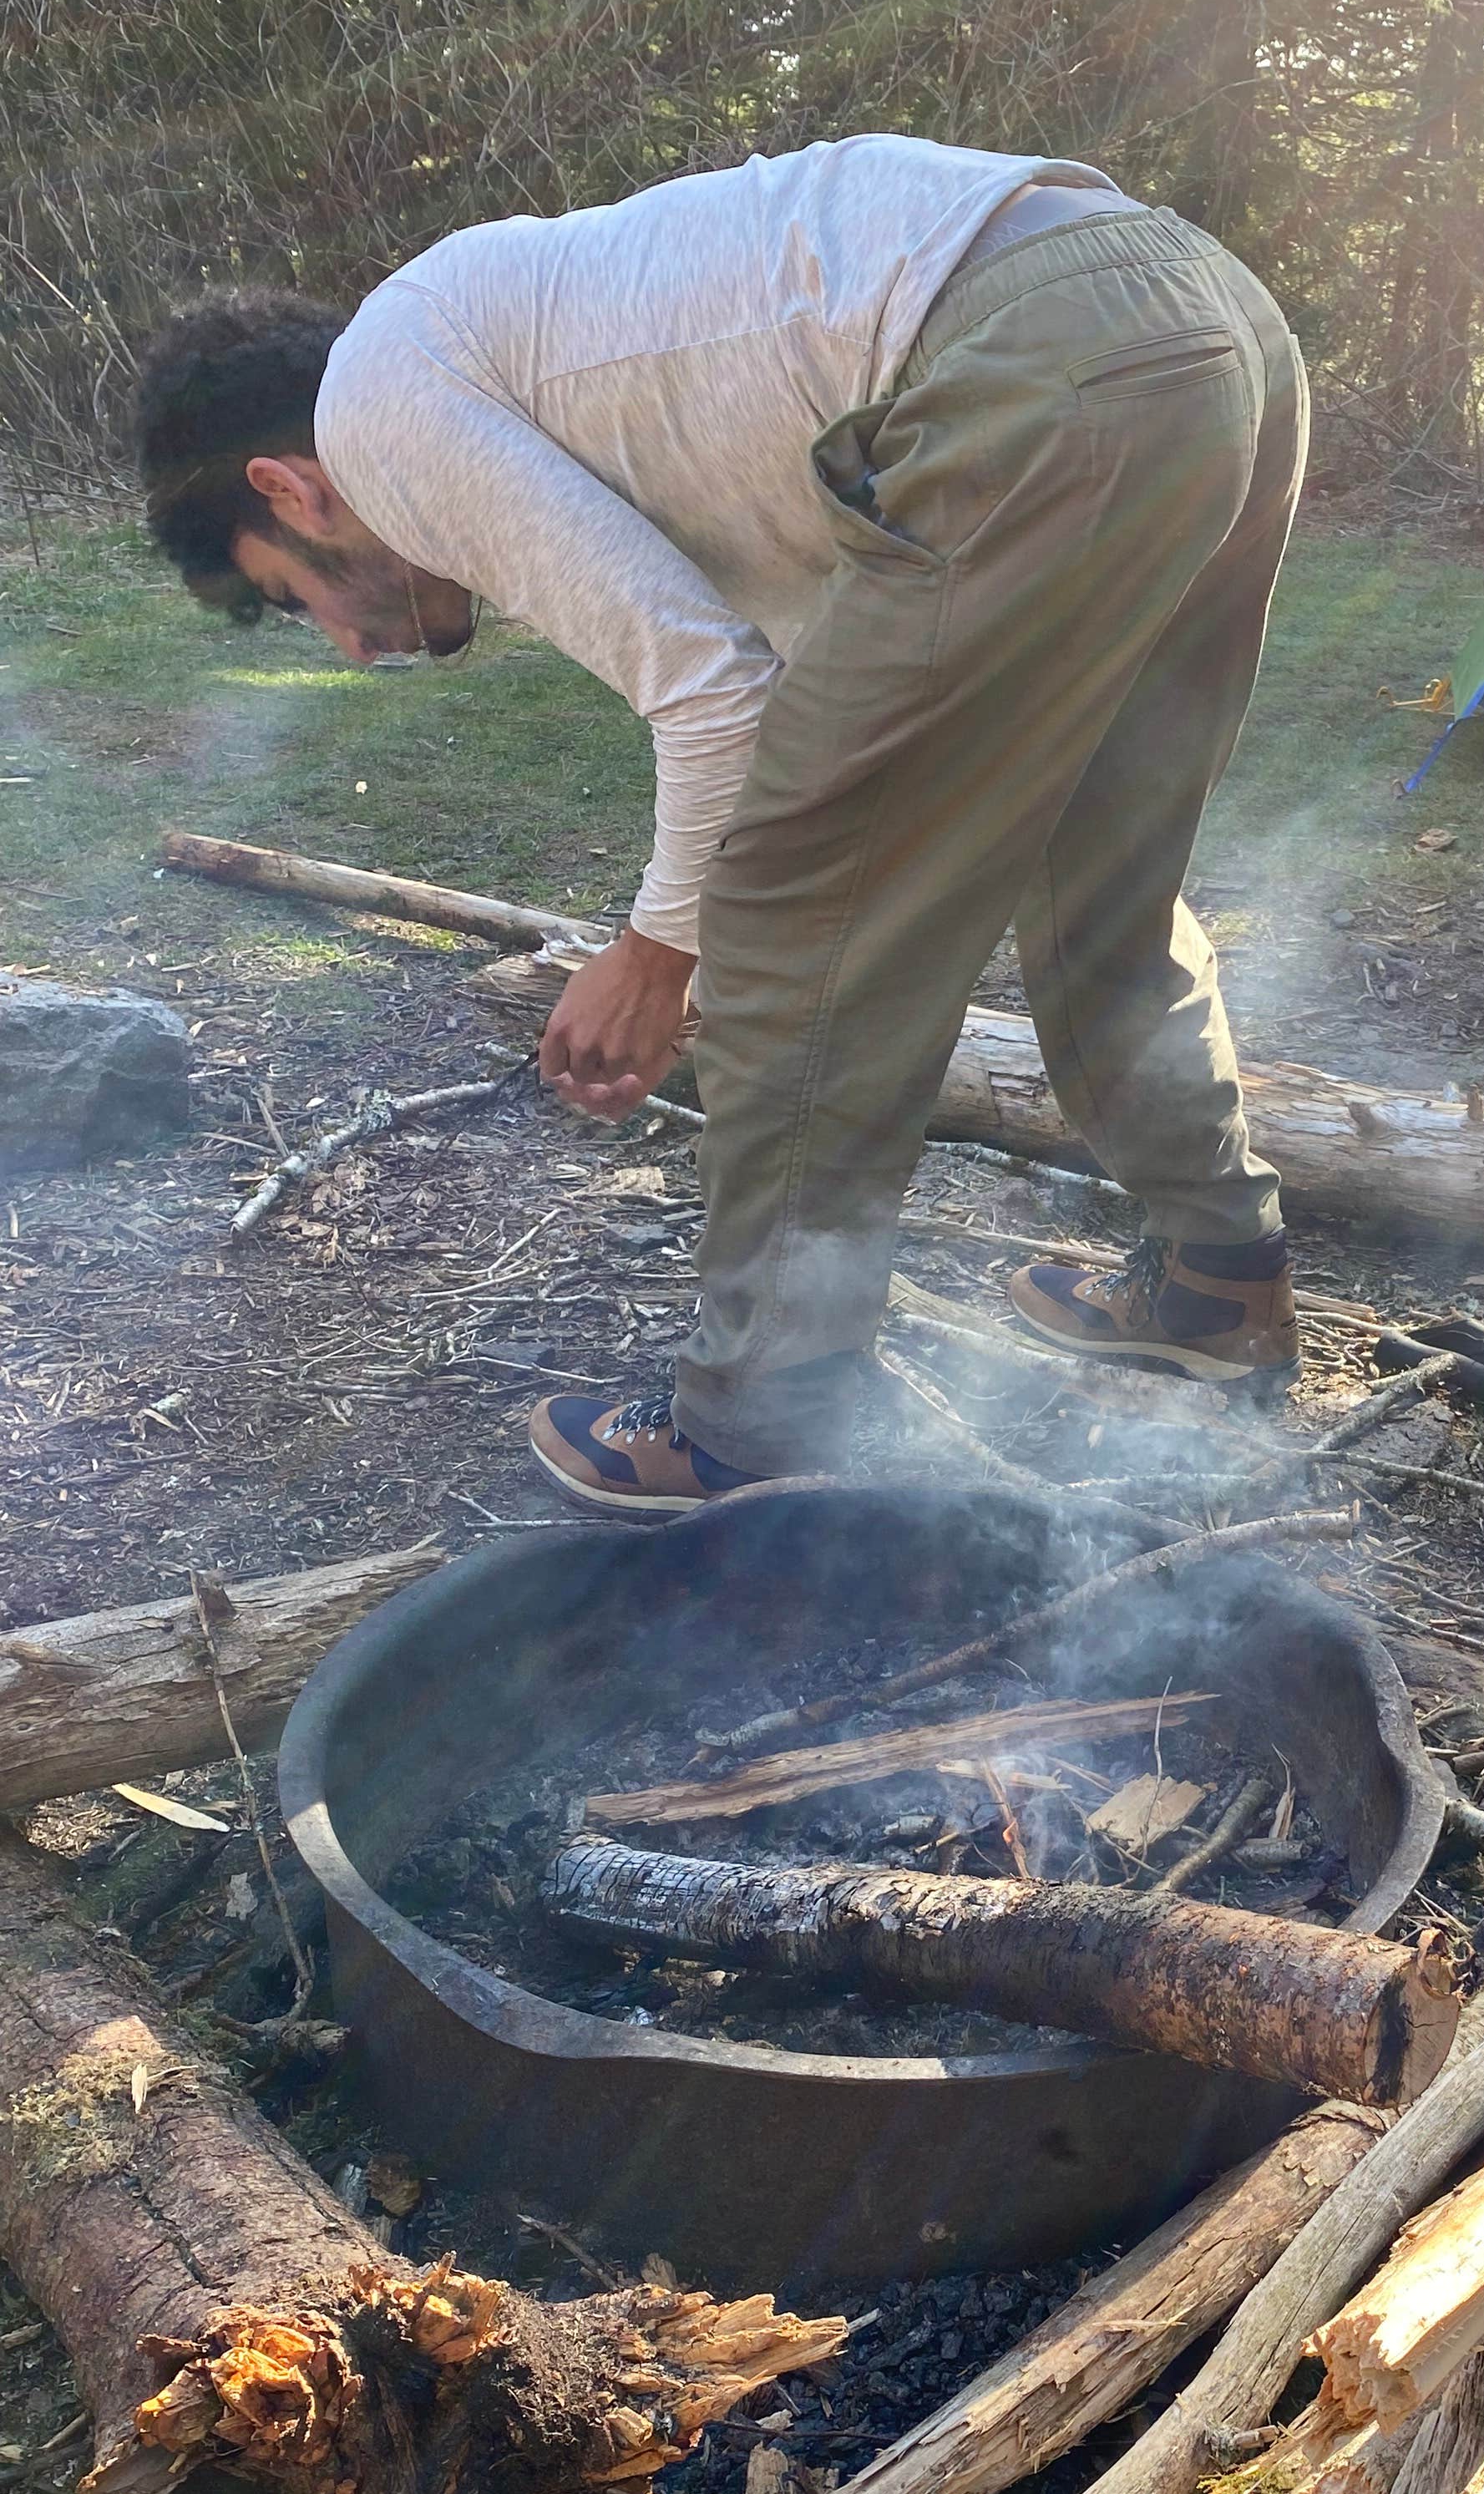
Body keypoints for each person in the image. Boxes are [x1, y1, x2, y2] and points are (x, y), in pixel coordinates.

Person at [134, 136, 1306, 1511]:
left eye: (294, 598)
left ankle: (764, 1417)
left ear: (291, 487)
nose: (343, 645)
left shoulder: (383, 414)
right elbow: (804, 682)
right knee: (1097, 873)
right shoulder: (537, 352)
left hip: (1039, 358)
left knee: (796, 922)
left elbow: (717, 706)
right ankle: (1220, 1278)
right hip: (1203, 324)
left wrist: (657, 955)